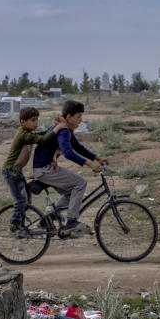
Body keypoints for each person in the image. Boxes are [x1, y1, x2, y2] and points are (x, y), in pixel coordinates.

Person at [32, 99, 108, 235]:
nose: (81, 120)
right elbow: (67, 152)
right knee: (80, 183)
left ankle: (48, 217)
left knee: (71, 192)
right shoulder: (63, 130)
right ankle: (71, 221)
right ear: (69, 117)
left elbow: (77, 146)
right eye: (78, 117)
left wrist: (97, 158)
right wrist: (90, 164)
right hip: (45, 169)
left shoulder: (65, 128)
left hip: (45, 167)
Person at [2, 107, 63, 237]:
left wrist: (54, 126)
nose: (36, 123)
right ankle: (14, 227)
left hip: (17, 172)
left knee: (27, 200)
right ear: (23, 122)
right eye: (33, 120)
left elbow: (42, 134)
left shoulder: (28, 132)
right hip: (11, 172)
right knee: (20, 200)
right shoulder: (23, 134)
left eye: (37, 120)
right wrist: (57, 129)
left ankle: (21, 226)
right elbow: (43, 140)